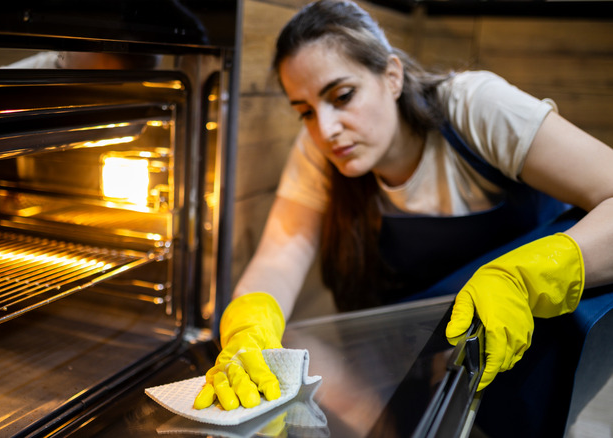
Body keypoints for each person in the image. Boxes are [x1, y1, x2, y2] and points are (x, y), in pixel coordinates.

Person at [194, 0, 613, 434]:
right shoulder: (320, 150)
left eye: (342, 96)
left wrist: (524, 278)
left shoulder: (472, 105)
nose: (326, 128)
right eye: (305, 111)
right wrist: (248, 325)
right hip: (417, 345)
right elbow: (279, 259)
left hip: (530, 333)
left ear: (392, 76)